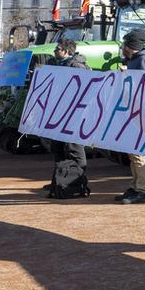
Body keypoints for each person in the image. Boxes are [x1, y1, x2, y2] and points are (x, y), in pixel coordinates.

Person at [45, 38, 91, 199]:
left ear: (66, 51)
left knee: (74, 148)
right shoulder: (59, 64)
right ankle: (60, 179)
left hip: (73, 114)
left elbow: (84, 90)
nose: (54, 51)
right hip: (60, 113)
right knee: (57, 147)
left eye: (57, 49)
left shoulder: (76, 66)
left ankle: (77, 181)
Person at [116, 29, 145, 205]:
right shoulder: (133, 60)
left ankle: (143, 190)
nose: (122, 47)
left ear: (132, 46)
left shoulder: (144, 60)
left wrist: (126, 75)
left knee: (139, 152)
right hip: (131, 109)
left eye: (125, 44)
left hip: (141, 111)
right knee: (132, 152)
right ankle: (135, 186)